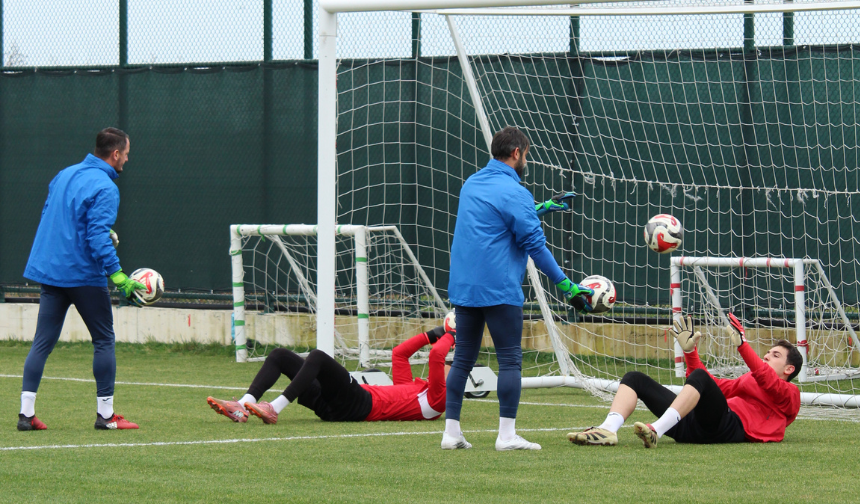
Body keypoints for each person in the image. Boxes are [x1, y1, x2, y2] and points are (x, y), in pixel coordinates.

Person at [443, 126, 593, 451]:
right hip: (498, 288)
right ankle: (506, 436)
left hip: (465, 286)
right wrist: (567, 287)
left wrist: (543, 207)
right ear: (516, 154)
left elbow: (495, 216)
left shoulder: (472, 183)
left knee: (463, 359)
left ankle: (451, 432)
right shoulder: (516, 192)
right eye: (526, 153)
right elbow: (535, 245)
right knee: (510, 360)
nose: (527, 159)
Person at [18, 127, 144, 431]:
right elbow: (97, 236)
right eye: (126, 154)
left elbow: (58, 219)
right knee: (104, 340)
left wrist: (101, 235)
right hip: (83, 274)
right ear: (115, 154)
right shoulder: (106, 187)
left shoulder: (64, 174)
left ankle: (25, 415)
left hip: (52, 271)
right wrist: (119, 276)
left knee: (42, 342)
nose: (127, 159)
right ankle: (106, 416)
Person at [568, 312, 802, 448]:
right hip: (692, 427)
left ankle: (655, 431)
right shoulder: (750, 378)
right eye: (768, 353)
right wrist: (690, 353)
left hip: (725, 428)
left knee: (700, 377)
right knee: (634, 378)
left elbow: (767, 380)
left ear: (789, 368)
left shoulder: (791, 394)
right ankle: (608, 430)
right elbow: (710, 385)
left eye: (775, 355)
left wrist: (742, 346)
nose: (766, 356)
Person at [207, 321, 456, 424]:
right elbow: (399, 354)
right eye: (449, 364)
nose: (446, 367)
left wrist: (451, 336)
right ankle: (242, 405)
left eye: (451, 367)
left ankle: (274, 408)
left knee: (318, 357)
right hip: (335, 406)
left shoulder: (439, 399)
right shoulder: (417, 387)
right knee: (279, 355)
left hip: (361, 405)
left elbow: (436, 356)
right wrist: (432, 334)